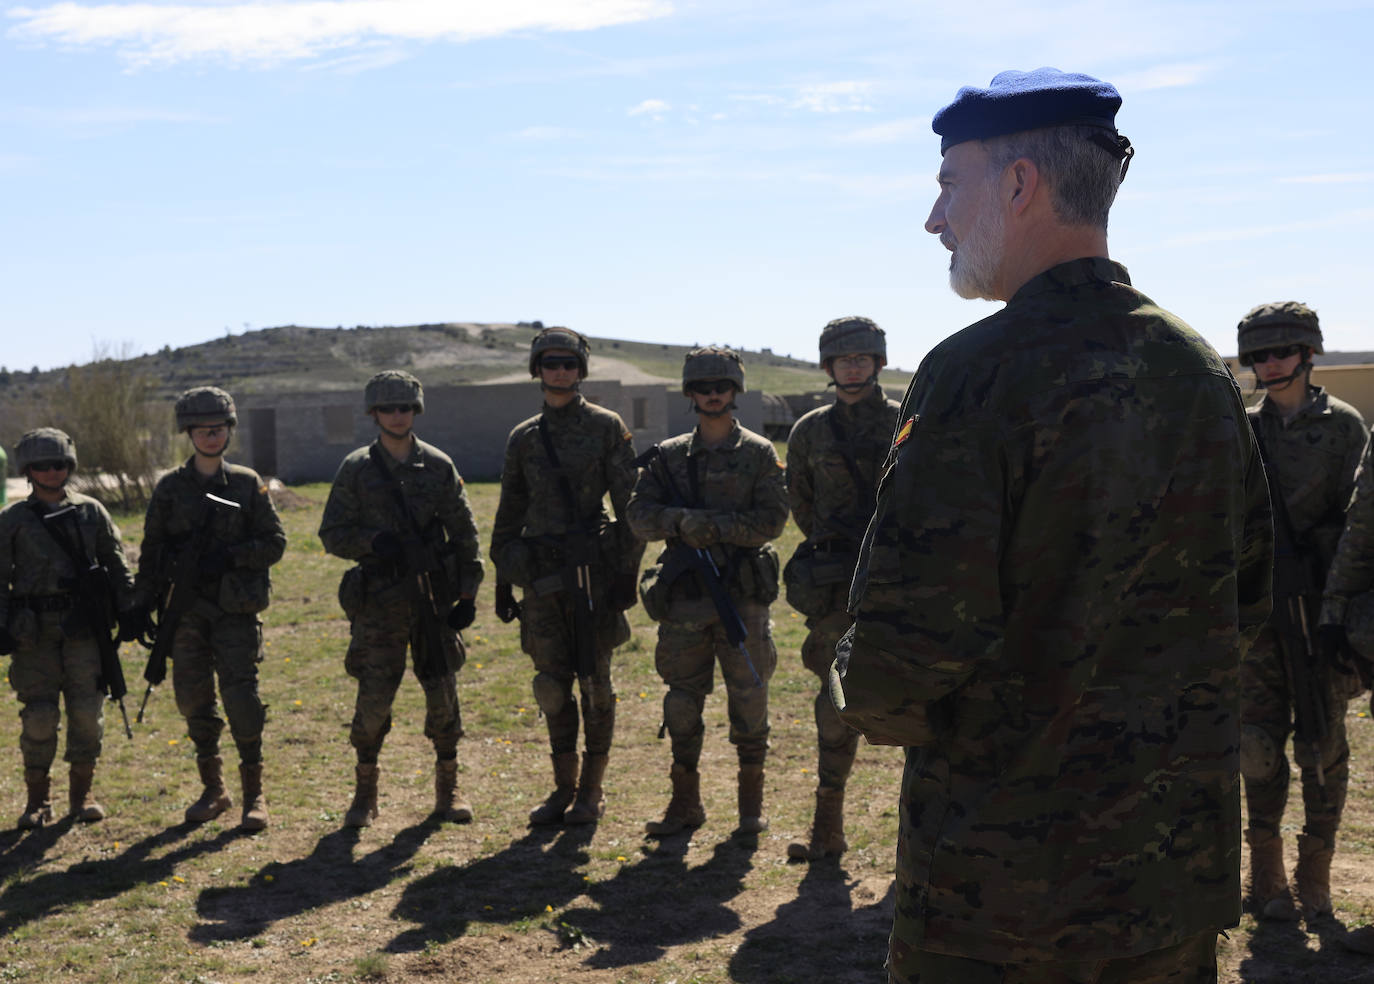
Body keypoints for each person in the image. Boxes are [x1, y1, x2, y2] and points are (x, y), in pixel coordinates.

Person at [831, 68, 1273, 982]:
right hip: (1168, 884)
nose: (935, 219)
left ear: (1020, 183)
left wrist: (868, 693)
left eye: (949, 183)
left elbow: (903, 652)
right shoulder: (1196, 368)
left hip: (1002, 897)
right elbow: (1252, 595)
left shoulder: (976, 374)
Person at [1235, 302, 1368, 924]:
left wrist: (1339, 605)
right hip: (1259, 618)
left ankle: (1315, 871)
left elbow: (1361, 526)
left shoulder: (1344, 428)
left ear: (1309, 353)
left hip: (1322, 610)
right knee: (1257, 745)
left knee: (1323, 743)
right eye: (1259, 355)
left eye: (1281, 352)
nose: (1271, 364)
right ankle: (1265, 873)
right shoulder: (1242, 429)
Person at [627, 346, 788, 836]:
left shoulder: (759, 453)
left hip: (741, 595)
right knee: (681, 700)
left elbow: (772, 521)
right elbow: (638, 516)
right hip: (685, 596)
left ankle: (749, 810)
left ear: (734, 391)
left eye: (721, 387)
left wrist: (712, 528)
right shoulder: (670, 457)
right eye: (703, 388)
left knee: (750, 697)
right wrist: (679, 521)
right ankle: (685, 804)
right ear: (690, 394)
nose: (712, 395)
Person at [490, 327, 644, 825]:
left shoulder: (606, 426)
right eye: (552, 363)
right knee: (551, 685)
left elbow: (631, 509)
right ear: (538, 369)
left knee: (596, 683)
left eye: (570, 363)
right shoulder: (524, 437)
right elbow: (509, 510)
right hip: (541, 576)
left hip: (593, 575)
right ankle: (563, 788)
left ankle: (591, 793)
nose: (561, 371)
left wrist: (624, 574)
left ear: (581, 370)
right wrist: (503, 576)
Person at [319, 370, 484, 828]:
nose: (397, 415)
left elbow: (466, 535)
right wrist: (374, 543)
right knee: (373, 700)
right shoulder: (356, 469)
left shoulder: (438, 466)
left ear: (416, 411)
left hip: (432, 600)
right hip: (379, 603)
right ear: (374, 413)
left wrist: (467, 595)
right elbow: (332, 534)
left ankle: (449, 789)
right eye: (388, 408)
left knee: (442, 695)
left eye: (405, 407)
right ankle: (365, 791)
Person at [133, 387, 285, 831]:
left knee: (242, 698)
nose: (211, 437)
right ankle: (214, 790)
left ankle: (254, 795)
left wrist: (232, 556)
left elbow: (275, 543)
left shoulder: (245, 483)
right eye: (203, 430)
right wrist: (144, 602)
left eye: (218, 430)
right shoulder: (169, 488)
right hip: (186, 611)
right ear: (189, 434)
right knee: (193, 698)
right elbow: (151, 549)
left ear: (229, 431)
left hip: (235, 609)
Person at [782, 316, 899, 861]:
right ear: (828, 366)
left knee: (914, 696)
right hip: (834, 587)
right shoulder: (809, 430)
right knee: (834, 700)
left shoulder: (905, 421)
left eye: (861, 358)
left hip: (899, 582)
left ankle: (918, 838)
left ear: (877, 362)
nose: (852, 367)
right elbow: (801, 503)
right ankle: (826, 827)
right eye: (842, 360)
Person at [0, 428, 136, 828]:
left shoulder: (91, 511)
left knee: (86, 716)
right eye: (42, 465)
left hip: (84, 633)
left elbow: (116, 564)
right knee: (39, 718)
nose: (52, 472)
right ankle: (37, 800)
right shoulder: (12, 521)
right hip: (33, 635)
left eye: (59, 464)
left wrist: (128, 609)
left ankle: (82, 794)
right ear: (28, 470)